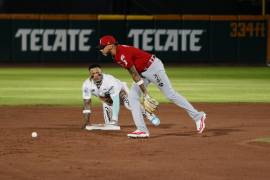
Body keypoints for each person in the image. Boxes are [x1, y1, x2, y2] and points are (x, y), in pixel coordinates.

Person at [98, 35, 206, 138]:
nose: (101, 49)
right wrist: (144, 92)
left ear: (110, 45)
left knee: (170, 95)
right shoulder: (116, 54)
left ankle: (198, 116)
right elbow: (135, 73)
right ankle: (142, 130)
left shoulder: (121, 54)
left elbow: (134, 74)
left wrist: (145, 93)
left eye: (102, 47)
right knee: (132, 97)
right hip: (142, 73)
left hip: (153, 69)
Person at [81, 64, 160, 130]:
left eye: (97, 72)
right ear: (90, 74)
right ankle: (113, 122)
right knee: (110, 125)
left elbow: (116, 100)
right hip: (107, 101)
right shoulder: (87, 85)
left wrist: (114, 119)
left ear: (101, 72)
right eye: (93, 73)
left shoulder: (110, 81)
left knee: (130, 105)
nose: (96, 75)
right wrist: (86, 120)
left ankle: (149, 115)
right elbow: (87, 103)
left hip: (122, 93)